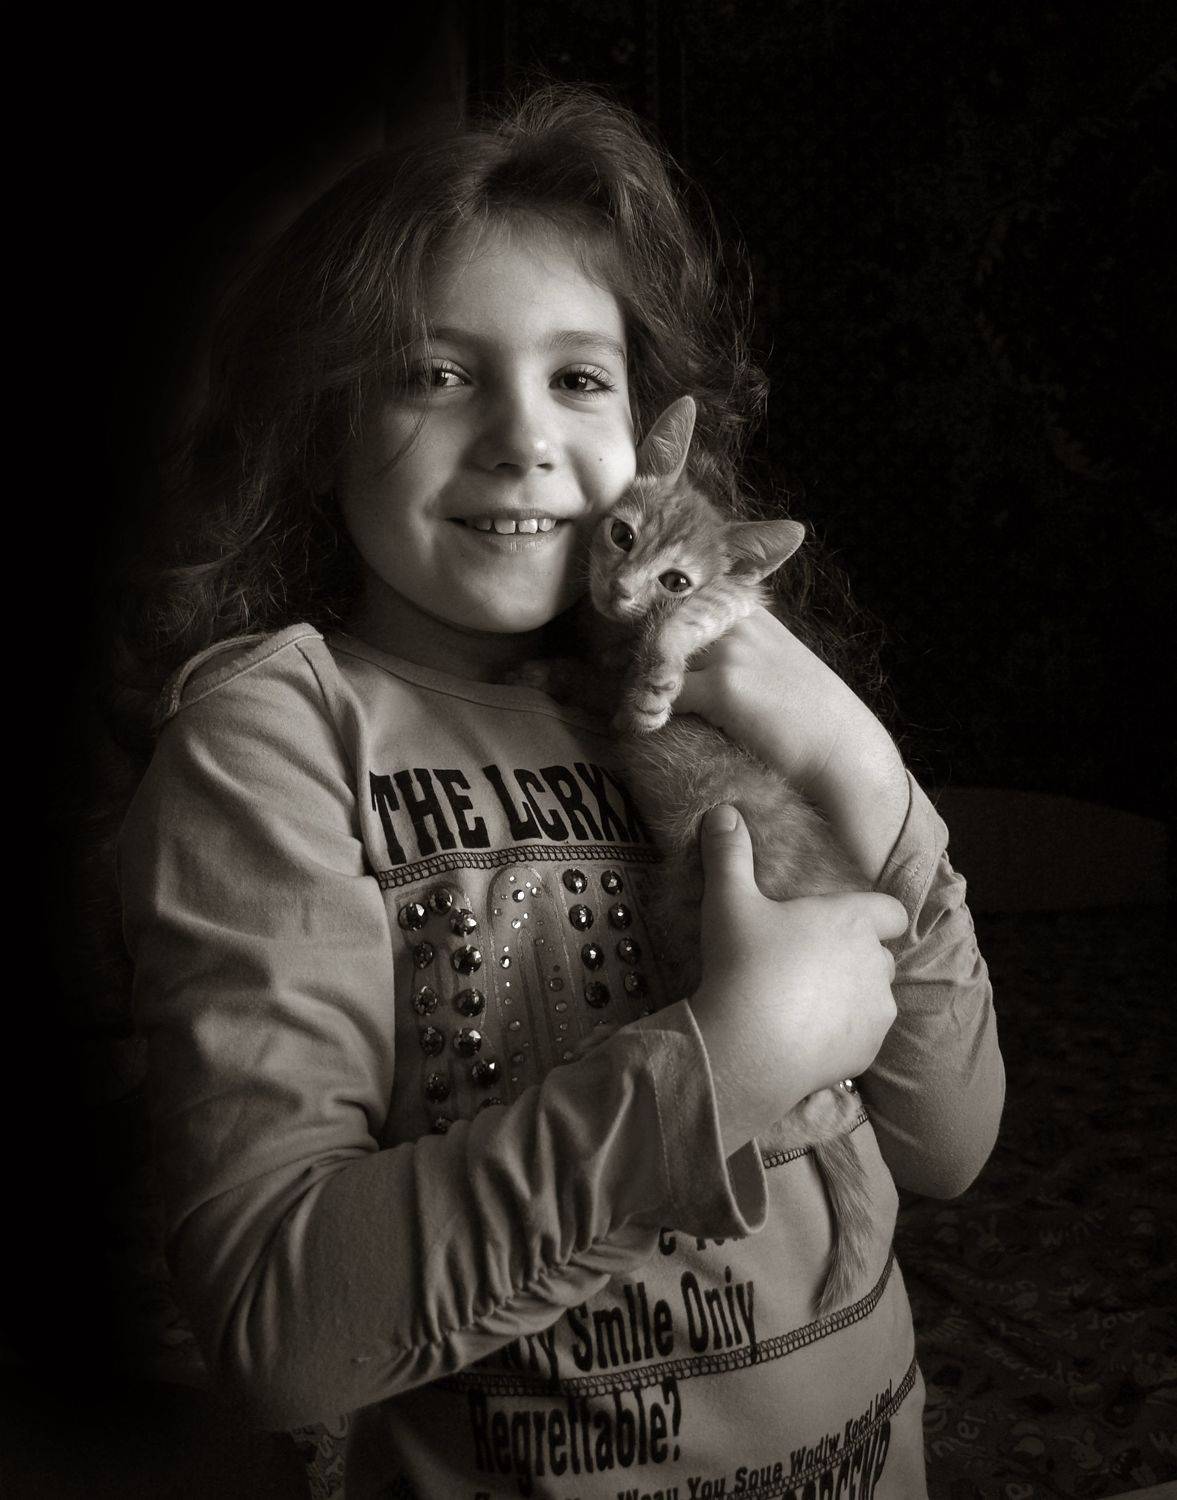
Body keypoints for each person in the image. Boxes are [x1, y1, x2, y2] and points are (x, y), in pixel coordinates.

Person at [116, 85, 1004, 1499]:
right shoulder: (277, 736)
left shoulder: (711, 705)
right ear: (325, 423)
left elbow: (948, 1139)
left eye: (580, 379)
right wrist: (735, 1059)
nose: (523, 438)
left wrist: (849, 750)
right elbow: (278, 1333)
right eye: (433, 372)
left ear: (652, 435)